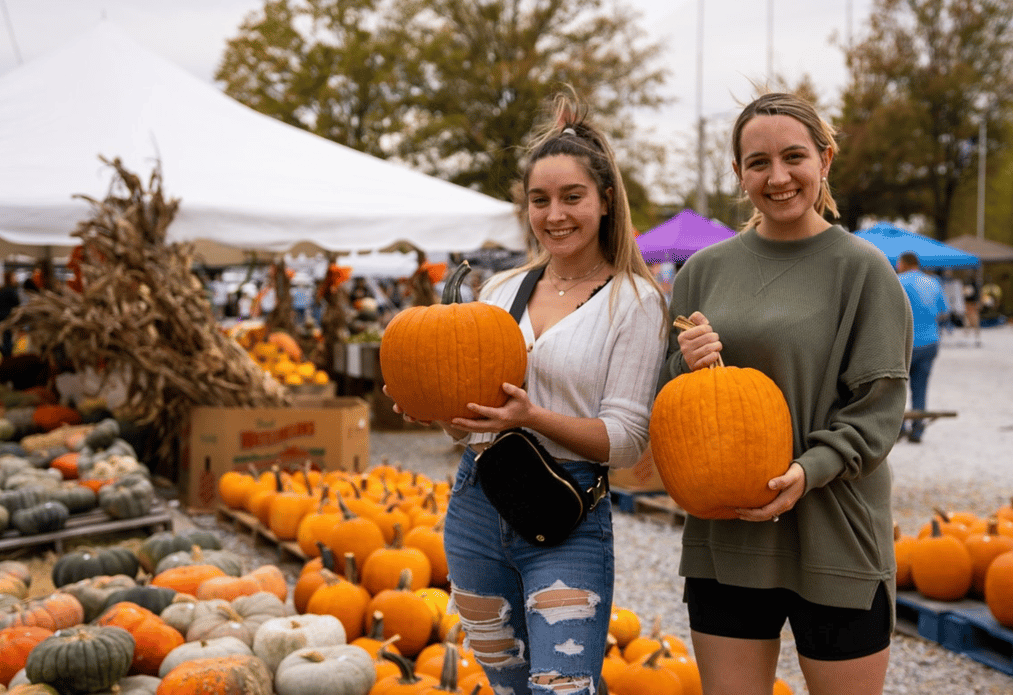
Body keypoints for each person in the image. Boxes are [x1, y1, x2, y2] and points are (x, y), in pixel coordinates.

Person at [388, 93, 667, 695]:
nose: (555, 214)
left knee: (561, 686)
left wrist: (533, 415)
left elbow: (624, 440)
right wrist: (434, 410)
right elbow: (472, 421)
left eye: (572, 198)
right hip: (476, 502)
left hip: (566, 513)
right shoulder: (501, 289)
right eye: (540, 200)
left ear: (605, 201)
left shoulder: (635, 302)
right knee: (507, 684)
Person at [660, 92, 910, 695]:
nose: (777, 177)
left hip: (833, 525)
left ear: (824, 160)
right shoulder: (703, 271)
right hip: (729, 530)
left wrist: (807, 469)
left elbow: (877, 412)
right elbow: (674, 402)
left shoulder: (863, 270)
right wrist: (683, 364)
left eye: (794, 156)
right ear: (740, 173)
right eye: (757, 163)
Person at [896, 251, 948, 443]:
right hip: (930, 343)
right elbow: (944, 311)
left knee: (897, 388)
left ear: (904, 264)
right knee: (921, 388)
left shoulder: (898, 281)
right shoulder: (933, 282)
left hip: (904, 343)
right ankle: (918, 430)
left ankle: (899, 428)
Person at [0, 272, 23, 356]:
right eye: (14, 277)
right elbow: (18, 308)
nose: (16, 279)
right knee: (9, 346)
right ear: (9, 278)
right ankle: (7, 361)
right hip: (8, 322)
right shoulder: (12, 292)